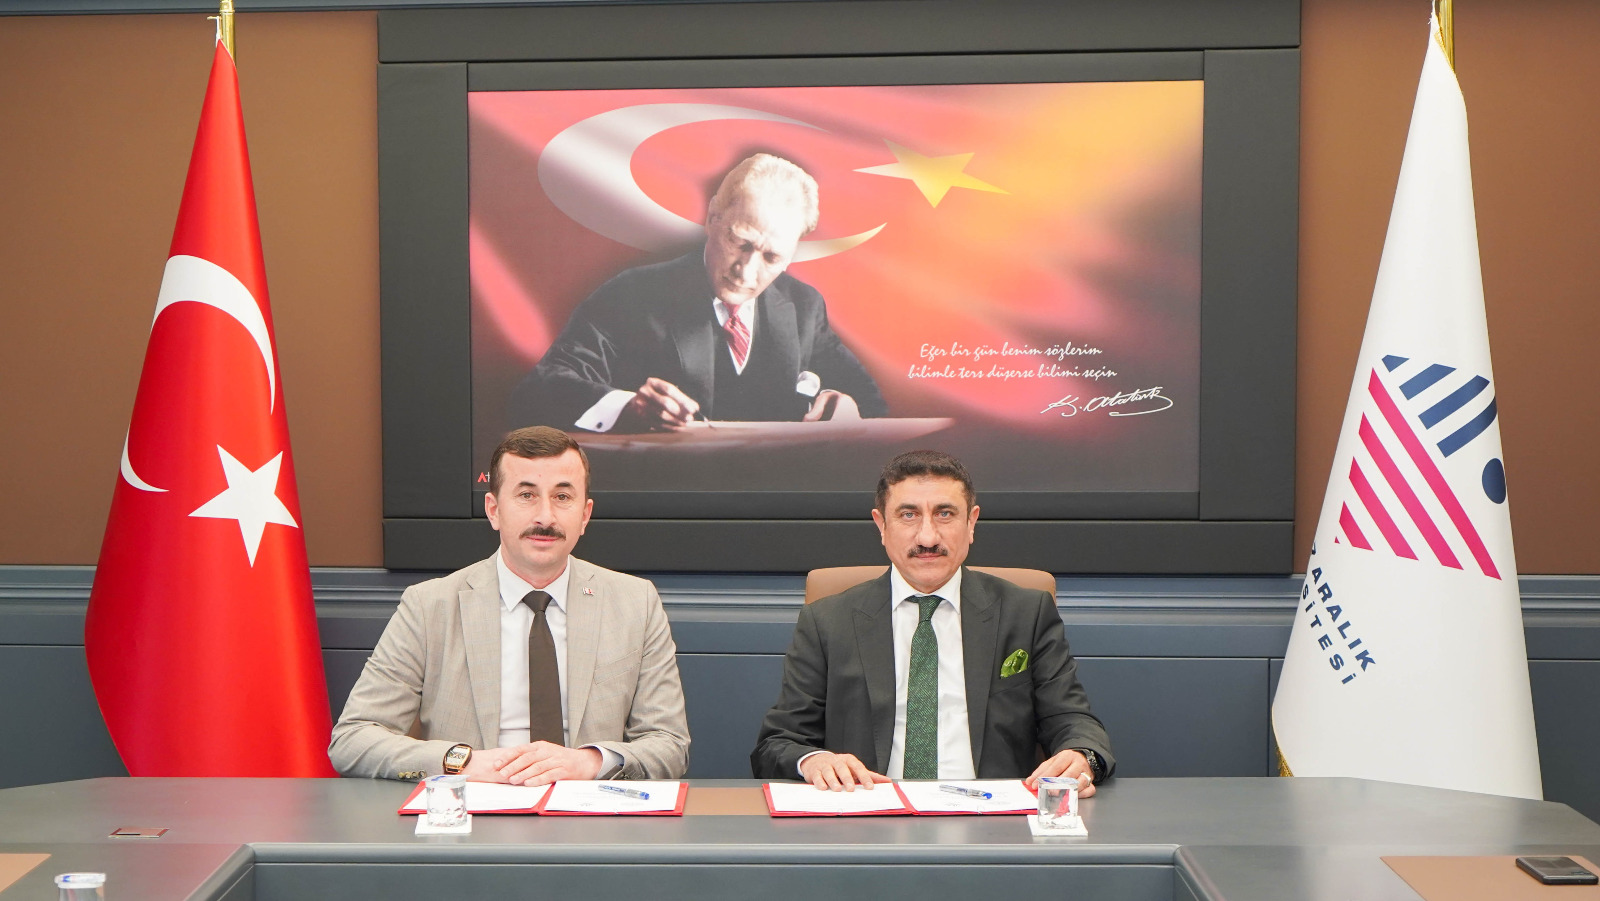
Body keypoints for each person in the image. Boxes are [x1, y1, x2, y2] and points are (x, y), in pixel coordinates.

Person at [329, 427, 689, 782]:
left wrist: (588, 763)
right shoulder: (429, 607)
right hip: (472, 810)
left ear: (584, 515)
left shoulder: (635, 603)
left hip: (587, 812)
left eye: (563, 496)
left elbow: (669, 744)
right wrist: (465, 763)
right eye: (526, 495)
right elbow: (353, 740)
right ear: (494, 510)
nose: (545, 517)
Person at [751, 450, 1114, 792]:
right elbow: (778, 743)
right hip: (869, 814)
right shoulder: (828, 621)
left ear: (971, 523)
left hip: (992, 819)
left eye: (945, 514)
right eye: (908, 515)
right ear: (881, 525)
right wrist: (814, 760)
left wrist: (1082, 756)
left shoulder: (1025, 613)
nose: (927, 537)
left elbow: (1074, 721)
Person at [509, 153, 887, 433]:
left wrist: (850, 409)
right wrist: (628, 407)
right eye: (739, 242)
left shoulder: (805, 307)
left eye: (772, 257)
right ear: (712, 218)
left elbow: (874, 405)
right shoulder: (633, 294)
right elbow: (538, 390)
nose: (746, 271)